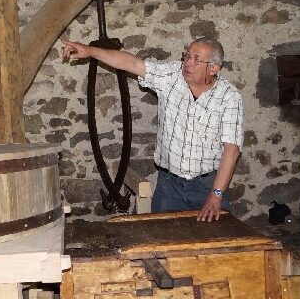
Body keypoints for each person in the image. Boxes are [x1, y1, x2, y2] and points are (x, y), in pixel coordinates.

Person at [60, 37, 242, 222]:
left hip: (207, 186)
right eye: (187, 56)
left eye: (196, 59)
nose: (187, 63)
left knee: (214, 245)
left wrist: (216, 194)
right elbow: (130, 62)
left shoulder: (228, 97)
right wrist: (90, 51)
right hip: (170, 187)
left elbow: (232, 149)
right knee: (163, 243)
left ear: (213, 68)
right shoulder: (171, 75)